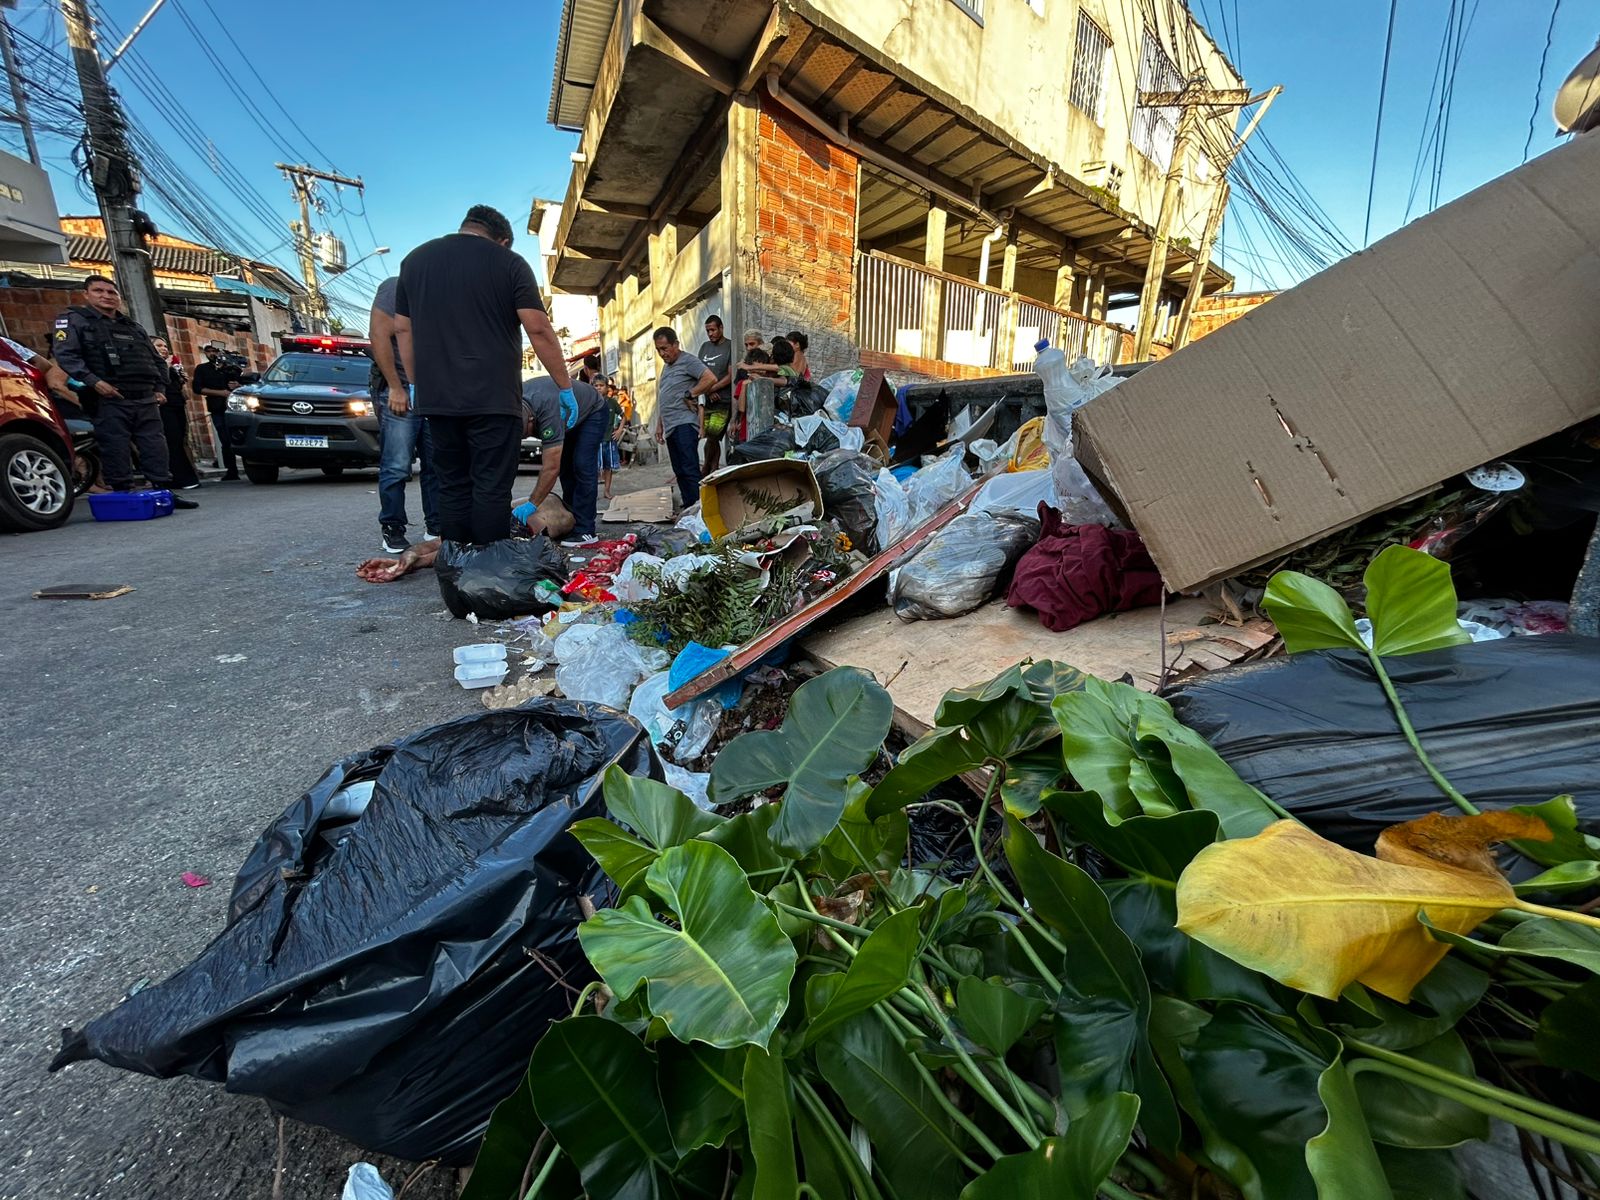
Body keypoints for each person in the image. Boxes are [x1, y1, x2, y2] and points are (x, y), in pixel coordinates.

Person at [393, 204, 574, 546]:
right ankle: (487, 577)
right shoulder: (509, 263)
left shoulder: (415, 261)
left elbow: (403, 329)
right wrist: (564, 386)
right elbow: (537, 328)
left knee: (452, 486)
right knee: (490, 487)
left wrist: (416, 383)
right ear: (503, 240)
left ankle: (455, 574)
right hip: (493, 400)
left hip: (439, 402)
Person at [52, 275, 197, 507]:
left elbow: (158, 361)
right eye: (99, 291)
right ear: (86, 295)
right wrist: (95, 382)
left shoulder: (133, 327)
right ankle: (123, 495)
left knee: (155, 446)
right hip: (107, 398)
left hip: (144, 396)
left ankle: (163, 492)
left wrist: (160, 388)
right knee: (115, 446)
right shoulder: (74, 320)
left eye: (111, 292)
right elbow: (67, 356)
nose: (106, 296)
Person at [369, 274, 439, 553]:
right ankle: (393, 527)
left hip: (434, 396)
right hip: (400, 391)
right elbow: (378, 335)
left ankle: (436, 526)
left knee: (437, 466)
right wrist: (397, 387)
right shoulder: (397, 287)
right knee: (397, 465)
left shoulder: (443, 294)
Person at [517, 374, 606, 545]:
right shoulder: (513, 402)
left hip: (591, 412)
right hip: (567, 419)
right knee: (566, 470)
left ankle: (586, 530)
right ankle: (572, 520)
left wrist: (532, 504)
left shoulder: (547, 412)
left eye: (527, 432)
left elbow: (550, 468)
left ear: (531, 419)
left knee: (582, 465)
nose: (529, 436)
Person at [650, 326, 717, 510]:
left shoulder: (688, 361)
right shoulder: (666, 367)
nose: (662, 353)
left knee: (689, 469)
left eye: (665, 348)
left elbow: (710, 378)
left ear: (676, 344)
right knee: (679, 470)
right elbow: (665, 395)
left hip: (685, 424)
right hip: (671, 425)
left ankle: (699, 510)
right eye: (658, 350)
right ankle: (689, 507)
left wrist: (691, 393)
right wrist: (659, 424)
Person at [150, 336, 200, 489]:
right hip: (163, 407)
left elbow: (184, 393)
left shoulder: (173, 366)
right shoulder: (152, 365)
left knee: (180, 441)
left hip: (177, 404)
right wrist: (165, 366)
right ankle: (177, 477)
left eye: (165, 346)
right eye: (159, 346)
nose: (164, 349)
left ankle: (187, 476)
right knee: (171, 441)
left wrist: (181, 379)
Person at [191, 343, 241, 480]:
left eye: (215, 351)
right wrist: (220, 393)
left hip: (235, 408)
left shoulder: (231, 367)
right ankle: (232, 470)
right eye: (209, 351)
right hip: (217, 407)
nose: (212, 354)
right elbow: (198, 388)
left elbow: (245, 383)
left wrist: (237, 385)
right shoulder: (202, 369)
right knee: (225, 439)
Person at [695, 315, 734, 476]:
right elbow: (698, 372)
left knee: (713, 436)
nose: (710, 334)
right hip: (707, 401)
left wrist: (713, 388)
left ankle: (709, 469)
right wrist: (707, 391)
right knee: (709, 437)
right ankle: (712, 469)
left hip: (723, 401)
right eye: (707, 331)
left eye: (713, 330)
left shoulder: (730, 346)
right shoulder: (704, 347)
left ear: (721, 328)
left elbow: (731, 375)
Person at [598, 382, 624, 500]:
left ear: (607, 388)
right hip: (595, 440)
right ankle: (592, 492)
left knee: (608, 467)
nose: (598, 388)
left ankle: (607, 491)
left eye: (601, 385)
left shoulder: (612, 402)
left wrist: (619, 431)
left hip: (609, 439)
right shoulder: (591, 402)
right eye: (596, 385)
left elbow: (623, 416)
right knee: (594, 467)